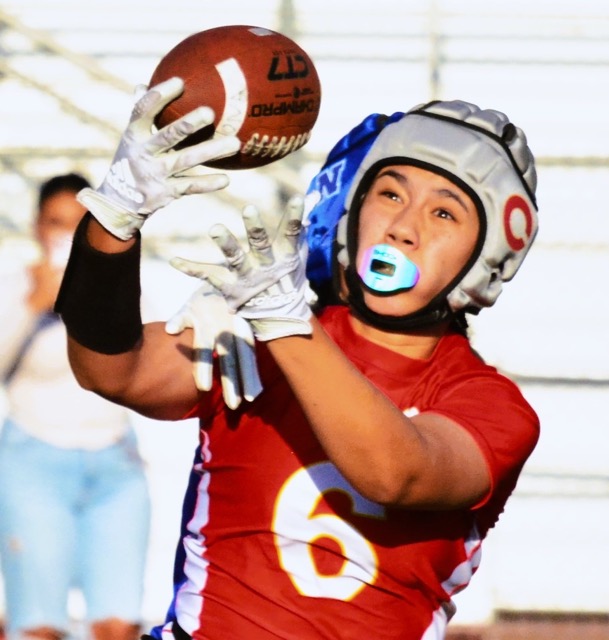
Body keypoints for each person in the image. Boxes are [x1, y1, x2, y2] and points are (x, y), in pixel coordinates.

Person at [53, 77, 540, 640]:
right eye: (391, 194)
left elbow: (396, 473)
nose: (404, 228)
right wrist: (115, 219)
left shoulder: (493, 406)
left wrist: (288, 326)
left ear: (487, 258)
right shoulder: (264, 332)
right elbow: (109, 368)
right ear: (352, 208)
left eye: (444, 214)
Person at [0, 174, 151, 640]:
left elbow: (140, 366)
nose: (64, 234)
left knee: (119, 624)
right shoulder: (13, 281)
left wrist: (91, 295)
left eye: (76, 224)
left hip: (113, 463)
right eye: (54, 222)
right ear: (36, 227)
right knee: (39, 626)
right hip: (34, 462)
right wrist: (32, 306)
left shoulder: (117, 285)